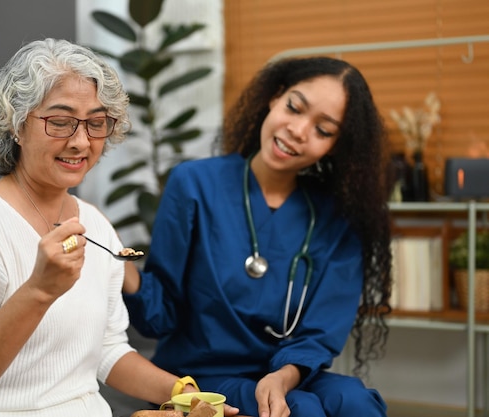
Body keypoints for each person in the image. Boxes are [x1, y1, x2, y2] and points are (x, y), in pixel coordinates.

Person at [0, 38, 240, 417]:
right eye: (60, 121)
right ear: (15, 125)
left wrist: (182, 392)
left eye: (96, 123)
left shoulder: (96, 224)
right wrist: (39, 291)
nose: (82, 141)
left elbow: (106, 349)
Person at [123, 56, 393, 417]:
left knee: (355, 403)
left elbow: (320, 332)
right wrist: (124, 273)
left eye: (323, 130)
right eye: (294, 108)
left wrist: (282, 377)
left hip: (288, 373)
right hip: (202, 375)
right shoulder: (194, 184)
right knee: (302, 410)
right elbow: (161, 314)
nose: (298, 130)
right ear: (274, 97)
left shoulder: (338, 219)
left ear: (336, 146)